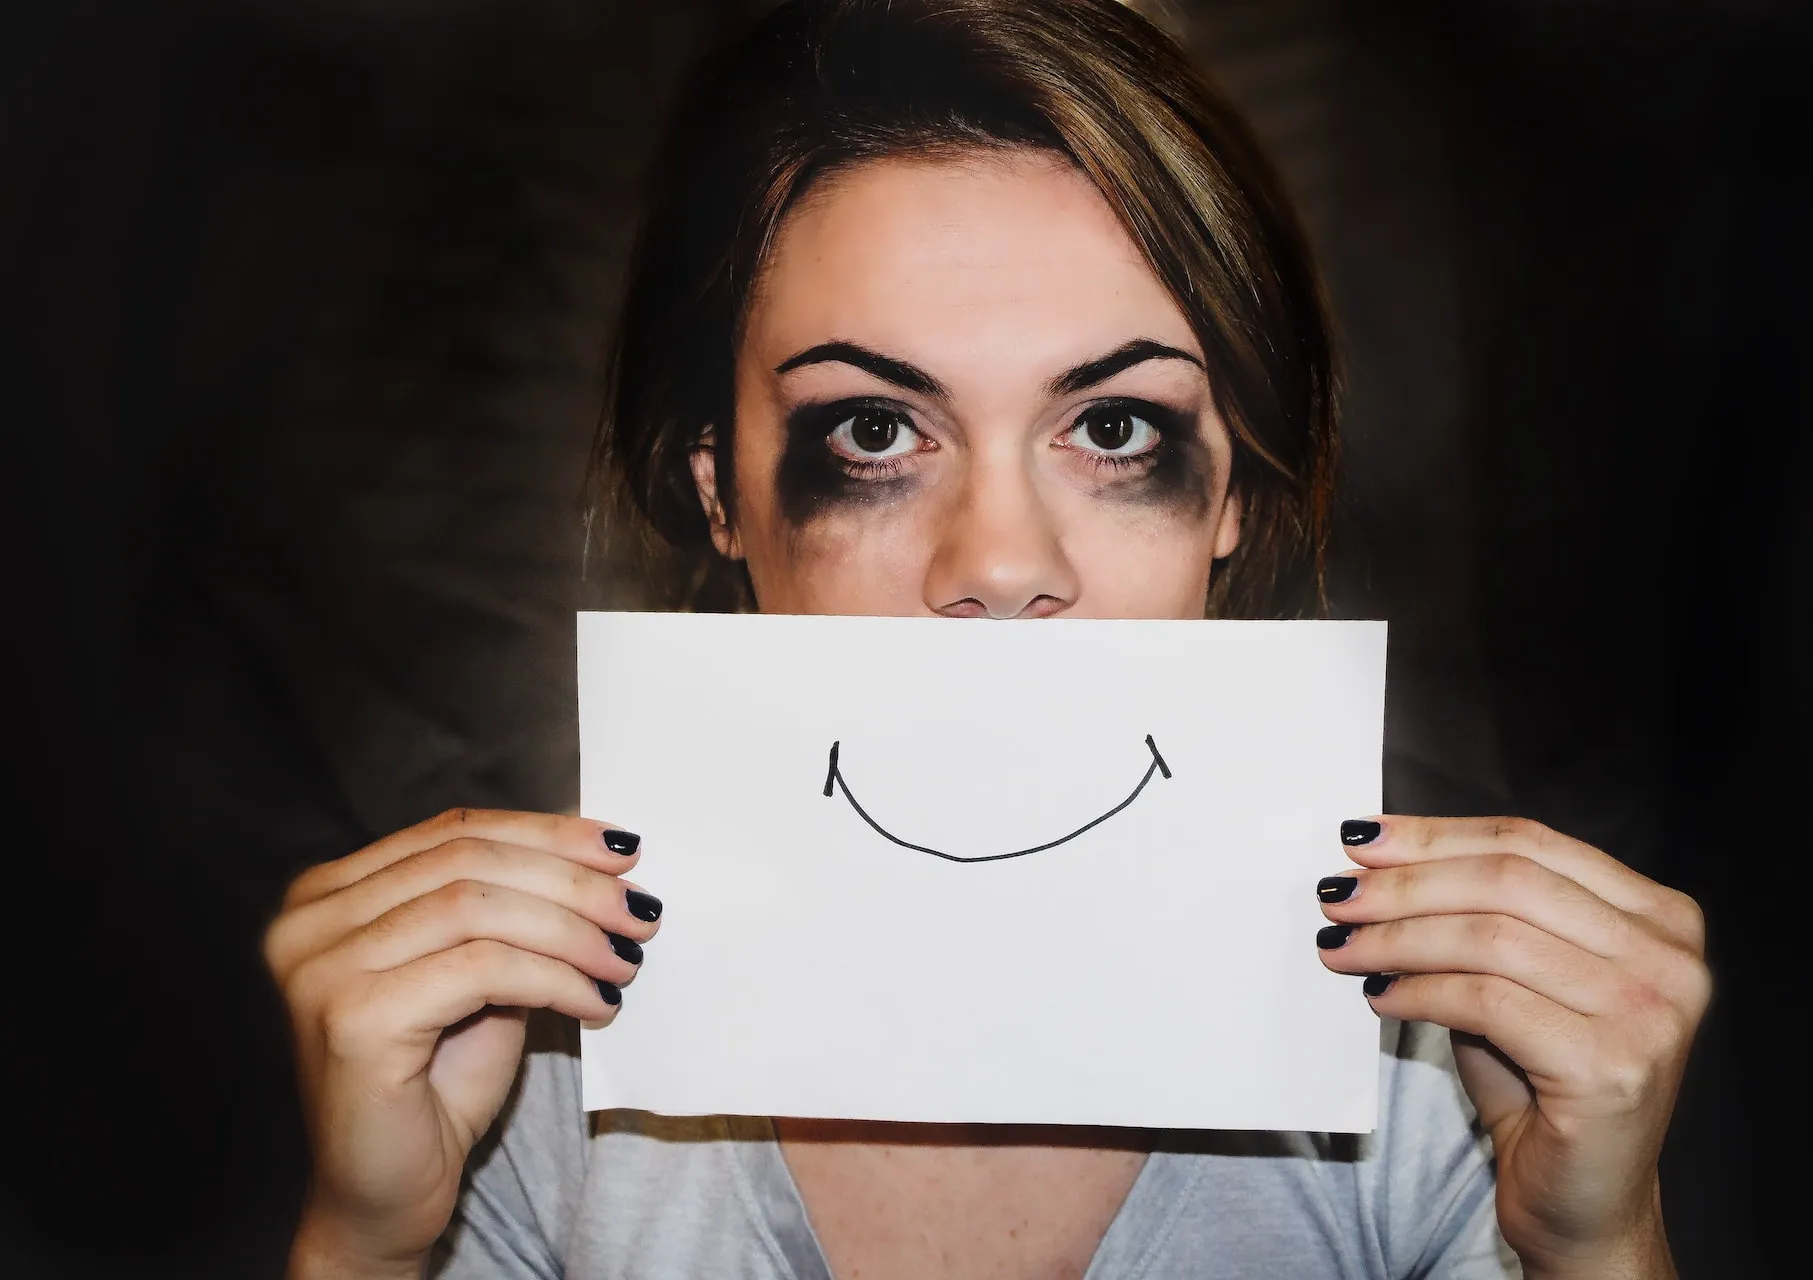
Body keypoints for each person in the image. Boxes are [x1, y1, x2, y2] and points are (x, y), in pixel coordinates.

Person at [264, 1, 1710, 1276]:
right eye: (877, 430)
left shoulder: (1445, 1073)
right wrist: (365, 1246)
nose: (1001, 565)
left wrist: (1595, 1248)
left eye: (1115, 428)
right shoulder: (527, 1075)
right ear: (720, 489)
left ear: (1235, 498)